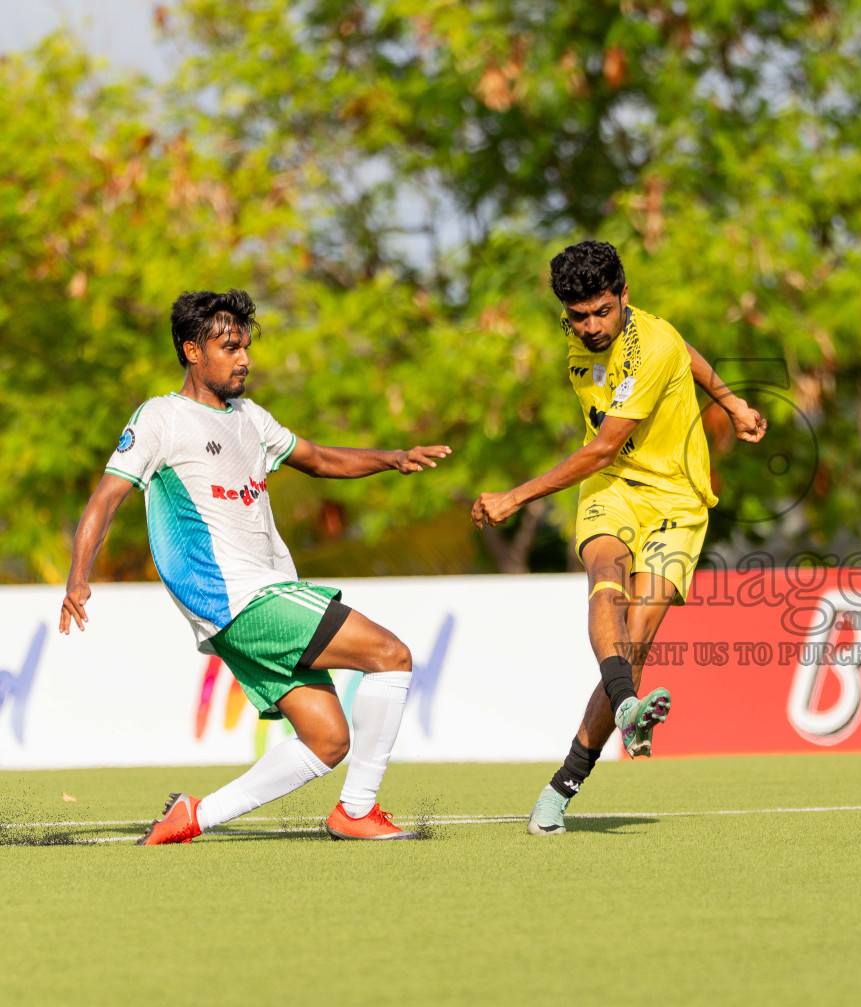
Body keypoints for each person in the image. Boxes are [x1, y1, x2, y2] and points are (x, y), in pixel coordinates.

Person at [60, 289, 451, 844]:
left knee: (328, 741)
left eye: (245, 346)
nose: (242, 358)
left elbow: (317, 459)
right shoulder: (161, 418)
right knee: (391, 656)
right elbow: (105, 499)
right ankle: (357, 811)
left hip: (257, 600)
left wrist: (392, 458)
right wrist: (79, 575)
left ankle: (193, 816)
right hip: (239, 598)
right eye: (228, 346)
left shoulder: (250, 418)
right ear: (193, 351)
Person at [472, 241, 767, 835]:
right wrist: (731, 400)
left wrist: (514, 496)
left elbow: (605, 439)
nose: (590, 327)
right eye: (577, 316)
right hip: (611, 489)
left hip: (676, 505)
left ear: (624, 298)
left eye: (602, 312)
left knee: (634, 641)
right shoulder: (582, 334)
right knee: (606, 582)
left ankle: (563, 784)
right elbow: (683, 350)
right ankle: (628, 705)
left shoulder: (651, 345)